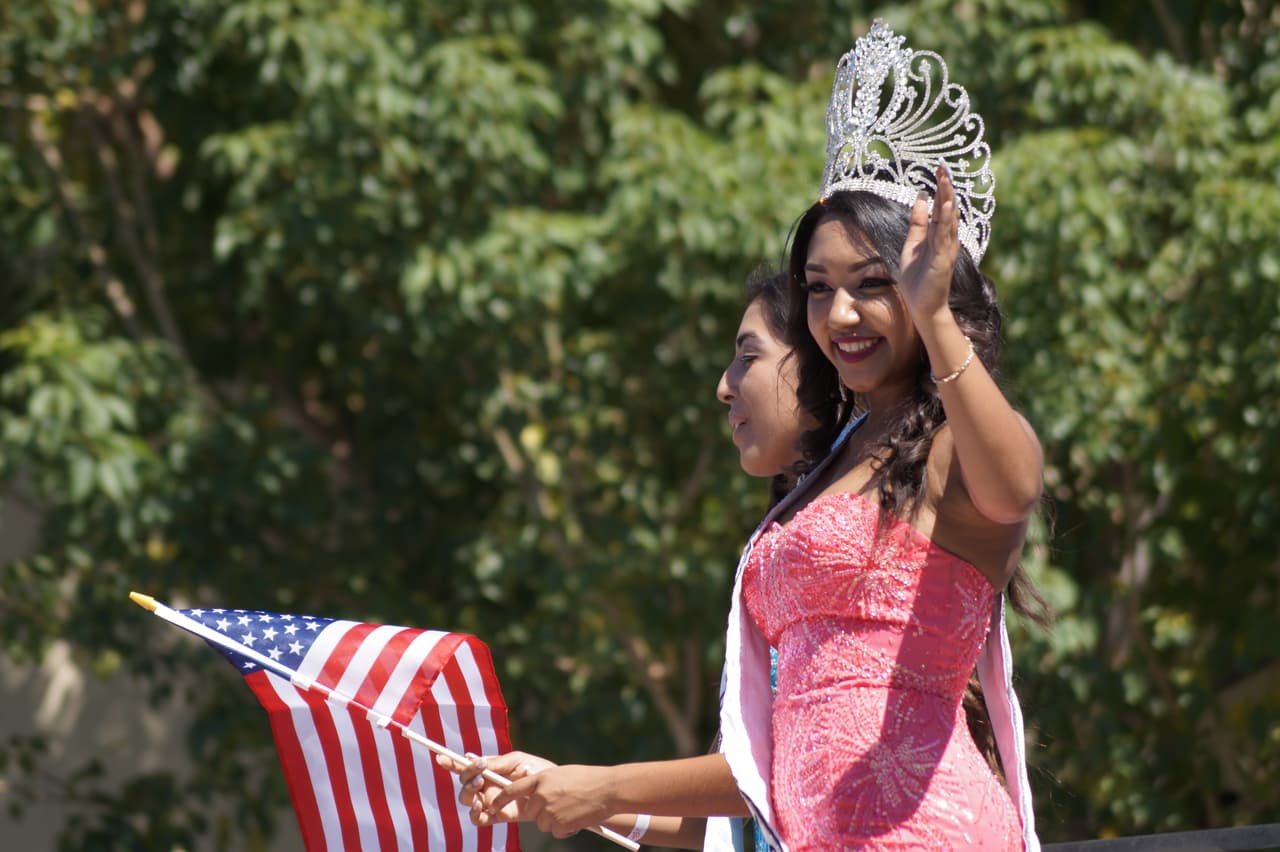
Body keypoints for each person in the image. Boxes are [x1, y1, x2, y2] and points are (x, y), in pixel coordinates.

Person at [718, 21, 1042, 851]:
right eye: (819, 289)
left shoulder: (947, 443)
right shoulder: (833, 458)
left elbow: (1016, 490)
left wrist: (932, 318)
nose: (841, 313)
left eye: (875, 284)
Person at [437, 269, 809, 849]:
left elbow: (784, 764)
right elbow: (730, 816)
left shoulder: (861, 538)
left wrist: (603, 789)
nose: (724, 386)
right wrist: (559, 788)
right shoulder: (781, 544)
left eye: (747, 357)